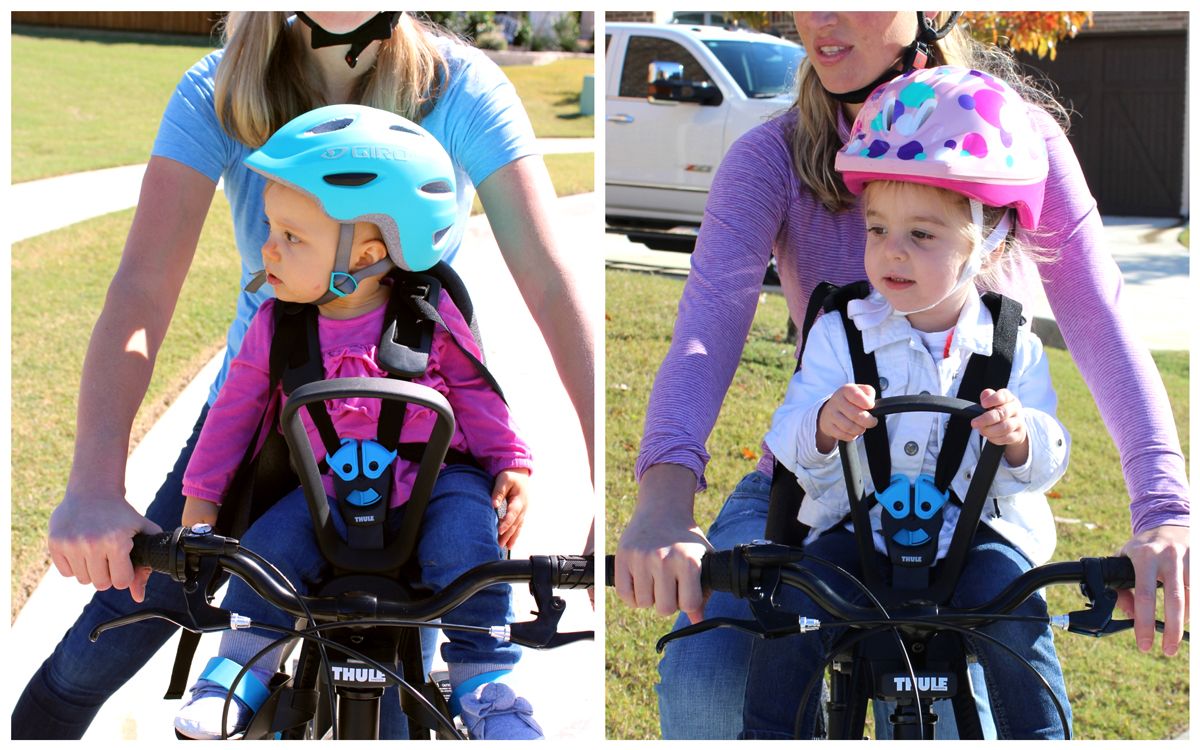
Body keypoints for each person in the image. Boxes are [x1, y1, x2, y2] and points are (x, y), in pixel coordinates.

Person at [612, 10, 1188, 740]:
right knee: (710, 672)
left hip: (970, 496)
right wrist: (664, 502)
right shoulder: (773, 155)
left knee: (982, 674)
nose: (820, 17)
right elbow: (708, 326)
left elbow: (1101, 320)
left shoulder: (1017, 137)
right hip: (820, 483)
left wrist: (1164, 513)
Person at [15, 11, 591, 740]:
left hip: (416, 424)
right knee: (107, 640)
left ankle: (483, 688)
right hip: (267, 411)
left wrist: (595, 485)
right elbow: (143, 287)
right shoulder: (222, 86)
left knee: (406, 671)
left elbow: (551, 281)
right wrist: (95, 485)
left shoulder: (463, 87)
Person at [168, 104, 541, 740]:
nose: (268, 248)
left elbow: (477, 394)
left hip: (434, 484)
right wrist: (202, 501)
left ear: (365, 255)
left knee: (469, 547)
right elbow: (232, 414)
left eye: (293, 237)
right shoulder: (277, 325)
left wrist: (510, 462)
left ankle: (485, 684)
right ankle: (236, 672)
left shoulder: (425, 316)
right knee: (265, 552)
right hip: (327, 491)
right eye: (270, 228)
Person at [760, 65, 1070, 738]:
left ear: (990, 237)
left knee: (1015, 616)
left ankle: (1041, 737)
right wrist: (822, 427)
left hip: (979, 536)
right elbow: (788, 438)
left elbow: (1045, 463)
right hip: (860, 531)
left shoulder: (1011, 345)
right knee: (794, 609)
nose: (891, 253)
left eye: (921, 235)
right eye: (877, 230)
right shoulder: (841, 331)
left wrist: (1021, 438)